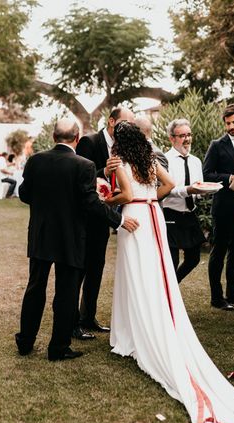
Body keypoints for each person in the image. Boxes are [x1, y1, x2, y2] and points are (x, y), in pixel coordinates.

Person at [108, 121, 234, 423]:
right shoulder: (148, 159)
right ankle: (146, 319)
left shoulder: (121, 162)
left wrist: (107, 198)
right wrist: (151, 201)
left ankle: (129, 334)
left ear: (119, 142)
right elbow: (170, 185)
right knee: (154, 274)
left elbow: (126, 194)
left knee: (134, 276)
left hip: (133, 218)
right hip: (153, 217)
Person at [14, 118, 138, 361]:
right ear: (77, 138)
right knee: (66, 292)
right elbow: (90, 203)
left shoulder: (36, 160)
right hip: (70, 237)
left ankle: (25, 341)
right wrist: (120, 220)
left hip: (40, 234)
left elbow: (25, 194)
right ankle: (58, 348)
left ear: (53, 137)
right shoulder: (85, 165)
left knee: (35, 288)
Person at [74, 106, 135, 340]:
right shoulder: (89, 142)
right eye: (124, 123)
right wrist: (104, 169)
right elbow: (81, 180)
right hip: (87, 217)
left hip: (105, 215)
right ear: (111, 121)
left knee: (96, 269)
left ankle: (88, 316)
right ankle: (72, 323)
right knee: (79, 271)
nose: (128, 128)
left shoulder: (124, 147)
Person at [203, 104, 234, 311]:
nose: (231, 127)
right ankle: (216, 296)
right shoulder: (217, 145)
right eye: (228, 123)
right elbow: (207, 174)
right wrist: (230, 177)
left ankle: (233, 291)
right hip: (223, 207)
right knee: (219, 251)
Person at [162, 118, 206, 283]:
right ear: (172, 138)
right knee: (171, 262)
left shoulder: (196, 161)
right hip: (170, 214)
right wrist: (188, 190)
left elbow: (198, 188)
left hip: (189, 214)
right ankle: (168, 296)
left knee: (194, 258)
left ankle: (173, 285)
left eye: (189, 135)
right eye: (182, 136)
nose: (187, 139)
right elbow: (165, 191)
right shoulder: (164, 160)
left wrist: (202, 192)